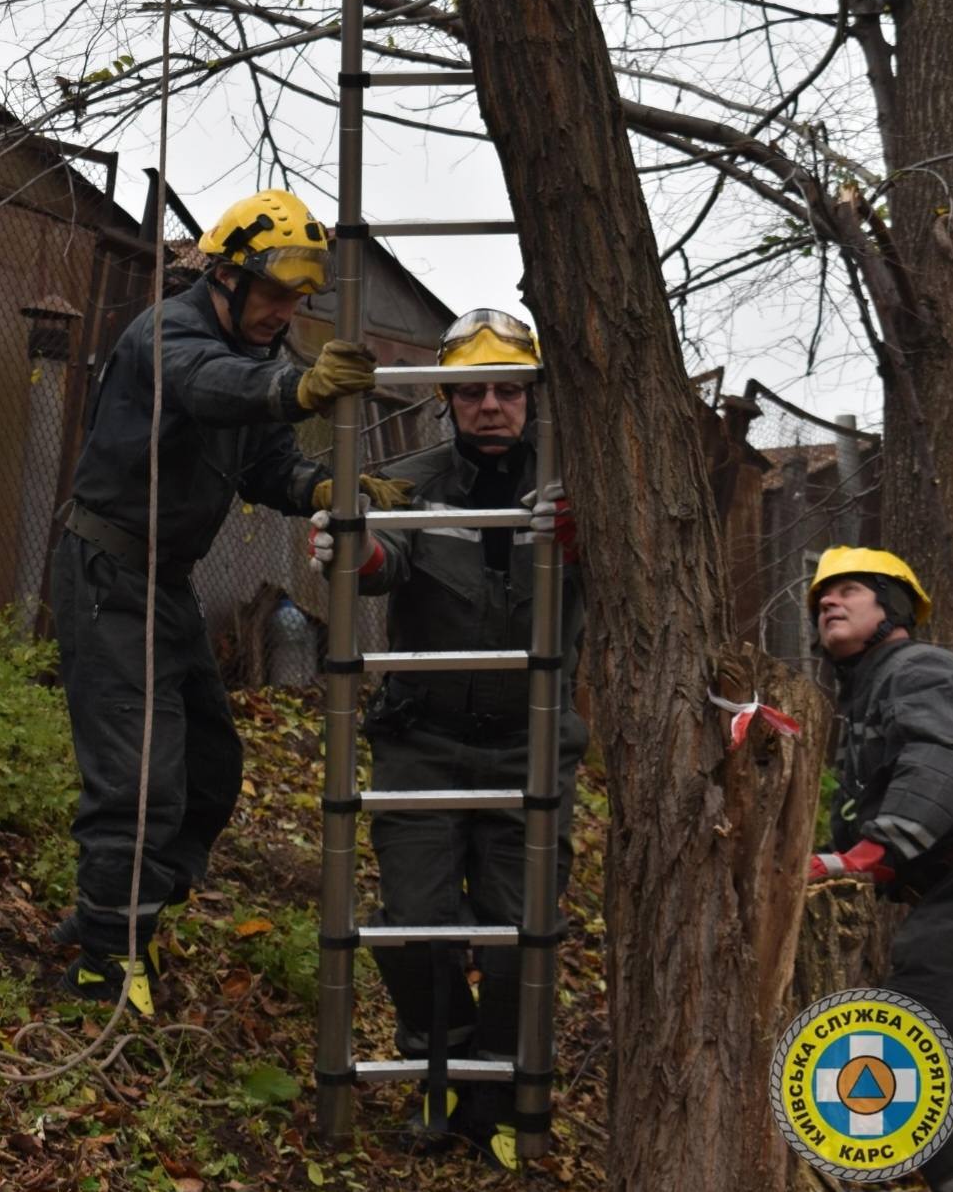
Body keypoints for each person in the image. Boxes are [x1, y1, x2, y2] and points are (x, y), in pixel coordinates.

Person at [51, 188, 408, 1015]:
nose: (285, 312)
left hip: (164, 580)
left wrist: (325, 484)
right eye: (275, 292)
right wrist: (298, 388)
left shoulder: (255, 351)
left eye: (298, 299)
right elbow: (208, 386)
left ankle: (124, 912)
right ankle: (105, 960)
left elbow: (265, 464)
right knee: (137, 777)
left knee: (210, 769)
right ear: (226, 275)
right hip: (109, 573)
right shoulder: (169, 334)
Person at [310, 308, 587, 1171]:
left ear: (532, 397)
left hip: (529, 744)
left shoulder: (576, 488)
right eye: (471, 391)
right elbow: (382, 562)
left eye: (508, 389)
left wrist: (588, 539)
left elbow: (644, 570)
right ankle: (441, 1072)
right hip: (421, 738)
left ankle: (498, 1097)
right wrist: (350, 548)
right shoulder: (411, 483)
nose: (490, 405)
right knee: (414, 922)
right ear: (446, 399)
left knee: (520, 930)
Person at [808, 546, 953, 1191]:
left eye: (848, 589)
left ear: (893, 605)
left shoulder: (920, 669)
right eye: (821, 597)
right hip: (949, 893)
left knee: (908, 1047)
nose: (828, 600)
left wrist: (872, 853)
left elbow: (939, 760)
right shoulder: (868, 695)